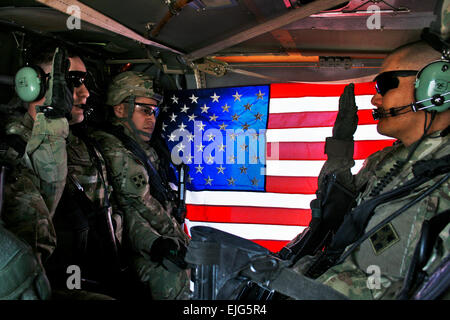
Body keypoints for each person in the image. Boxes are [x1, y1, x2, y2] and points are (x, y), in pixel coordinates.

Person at [186, 40, 450, 300]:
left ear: (434, 88)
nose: (374, 98)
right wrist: (341, 147)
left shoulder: (442, 178)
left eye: (384, 85)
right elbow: (336, 206)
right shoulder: (391, 157)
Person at [3, 44, 124, 300]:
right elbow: (31, 234)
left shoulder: (83, 144)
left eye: (85, 82)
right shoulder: (14, 149)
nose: (86, 93)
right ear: (34, 86)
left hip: (99, 270)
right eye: (73, 81)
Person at [91, 71, 191, 300]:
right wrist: (168, 241)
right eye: (144, 110)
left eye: (154, 112)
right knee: (172, 277)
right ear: (120, 109)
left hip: (151, 237)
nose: (152, 119)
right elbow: (138, 207)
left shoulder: (143, 147)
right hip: (128, 245)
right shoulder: (114, 148)